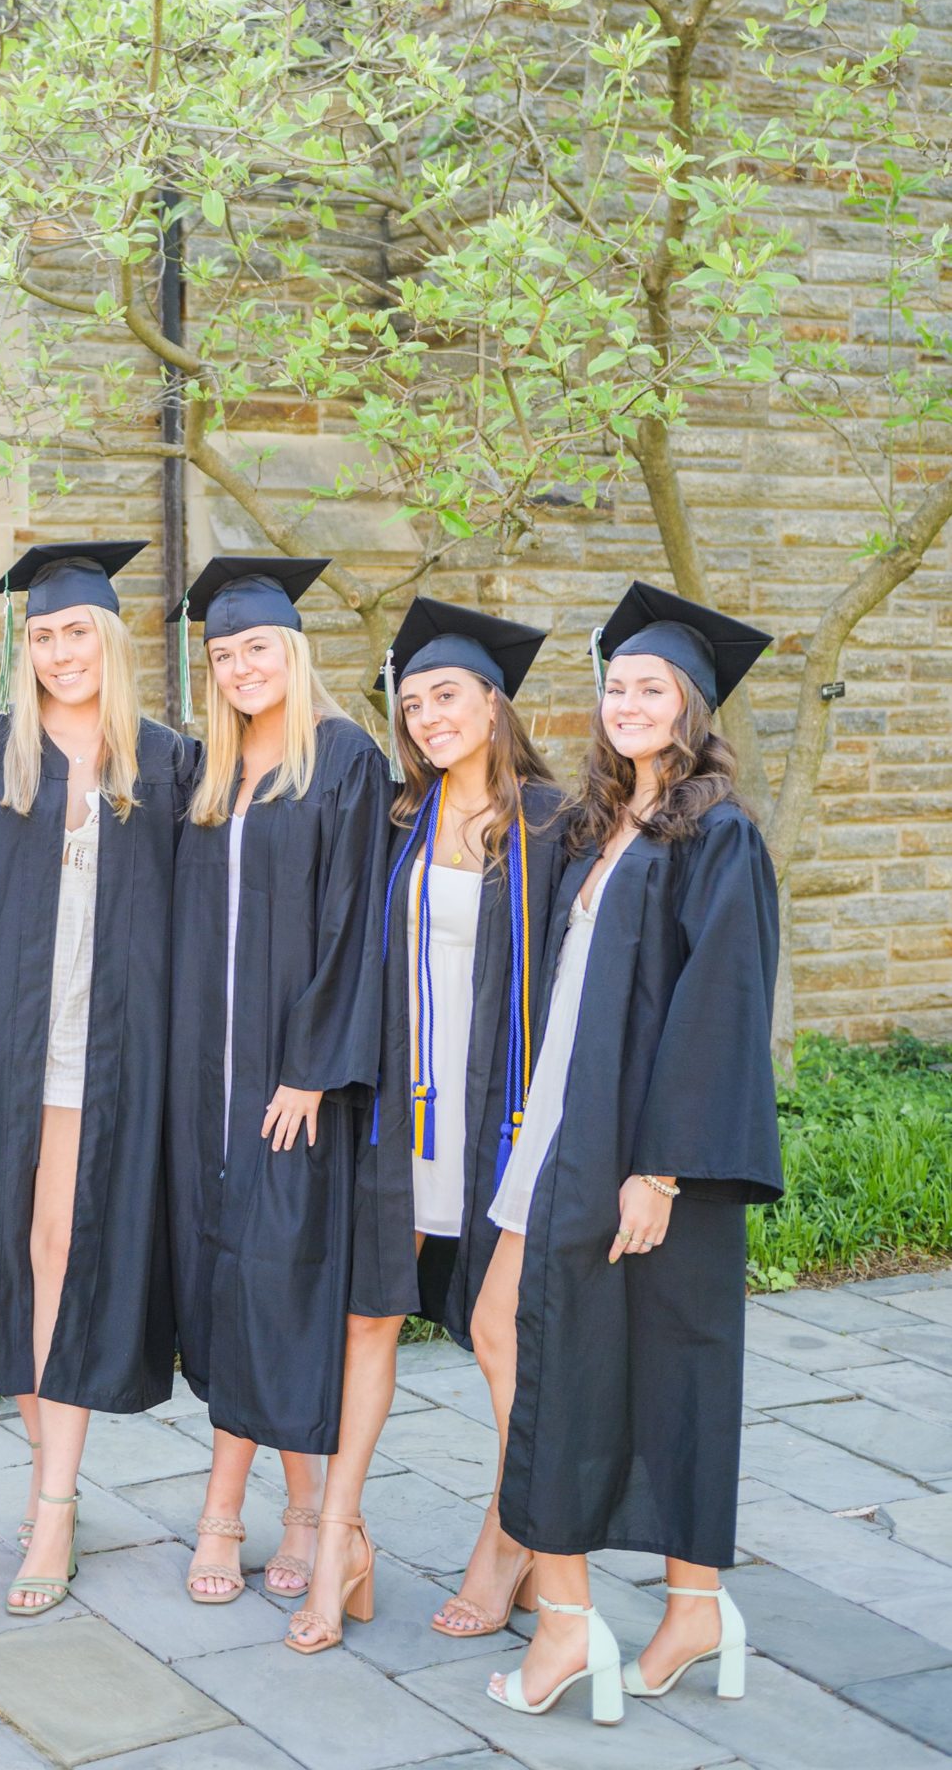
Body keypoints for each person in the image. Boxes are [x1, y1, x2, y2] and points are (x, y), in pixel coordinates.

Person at [478, 581, 782, 1726]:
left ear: (692, 704)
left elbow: (720, 1005)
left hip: (639, 1148)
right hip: (564, 1126)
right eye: (613, 686)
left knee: (625, 1352)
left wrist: (658, 1167)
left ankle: (590, 1620)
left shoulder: (715, 834)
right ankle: (652, 1606)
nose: (626, 703)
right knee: (553, 1337)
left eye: (649, 687)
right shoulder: (602, 824)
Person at [289, 596, 566, 1654]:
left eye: (444, 696)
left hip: (505, 1121)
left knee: (502, 1340)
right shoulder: (396, 820)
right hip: (402, 1123)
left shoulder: (553, 823)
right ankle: (334, 1542)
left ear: (492, 703)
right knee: (365, 1319)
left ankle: (511, 1537)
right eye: (410, 705)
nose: (426, 718)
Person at [0, 540, 193, 1619]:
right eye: (41, 634)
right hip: (16, 1052)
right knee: (22, 1250)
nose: (58, 651)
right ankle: (55, 1485)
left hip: (118, 1054)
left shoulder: (169, 761)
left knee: (67, 1250)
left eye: (75, 631)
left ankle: (51, 1504)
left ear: (111, 638)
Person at [166, 556, 389, 1617]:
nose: (240, 665)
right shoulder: (212, 771)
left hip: (289, 1084)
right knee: (224, 1286)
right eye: (220, 653)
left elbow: (356, 925)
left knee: (280, 1285)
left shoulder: (342, 758)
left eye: (256, 646)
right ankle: (291, 1513)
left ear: (292, 650)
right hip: (205, 1083)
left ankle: (247, 1508)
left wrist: (309, 1066)